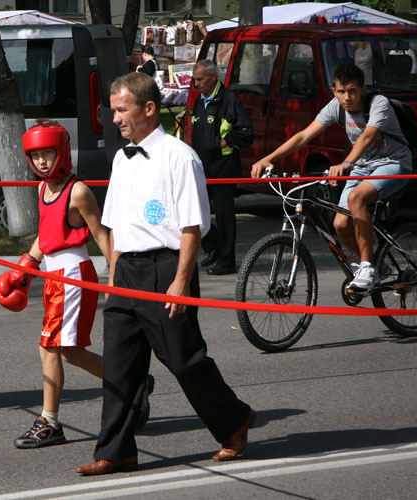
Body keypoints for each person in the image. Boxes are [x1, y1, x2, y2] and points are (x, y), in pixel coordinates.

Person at [74, 72, 255, 476]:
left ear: (149, 109)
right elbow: (114, 225)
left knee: (184, 360)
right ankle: (117, 450)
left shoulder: (180, 157)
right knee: (120, 366)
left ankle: (234, 420)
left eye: (122, 110)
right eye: (113, 111)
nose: (115, 119)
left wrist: (180, 280)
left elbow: (191, 227)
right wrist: (113, 277)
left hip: (167, 267)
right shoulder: (121, 159)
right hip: (127, 271)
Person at [0, 120, 154, 449]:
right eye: (35, 155)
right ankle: (133, 381)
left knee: (50, 347)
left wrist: (117, 276)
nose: (42, 161)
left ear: (62, 152)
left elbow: (100, 234)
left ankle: (49, 422)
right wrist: (27, 265)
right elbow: (47, 235)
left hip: (73, 275)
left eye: (47, 154)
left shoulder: (77, 191)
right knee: (70, 352)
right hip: (53, 276)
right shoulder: (42, 189)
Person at [252, 64, 411, 293]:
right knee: (340, 223)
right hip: (362, 166)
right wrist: (268, 159)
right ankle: (375, 265)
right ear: (334, 91)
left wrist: (346, 163)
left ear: (363, 89)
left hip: (393, 163)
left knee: (356, 198)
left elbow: (368, 136)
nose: (347, 98)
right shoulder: (336, 106)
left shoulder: (378, 103)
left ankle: (367, 268)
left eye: (352, 91)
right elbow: (304, 136)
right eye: (341, 91)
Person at [190, 59, 254, 275]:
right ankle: (215, 247)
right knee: (196, 211)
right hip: (202, 166)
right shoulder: (199, 100)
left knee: (224, 217)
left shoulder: (228, 99)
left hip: (223, 168)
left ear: (212, 77)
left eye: (200, 79)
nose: (196, 84)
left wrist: (224, 142)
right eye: (194, 79)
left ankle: (226, 262)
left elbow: (246, 133)